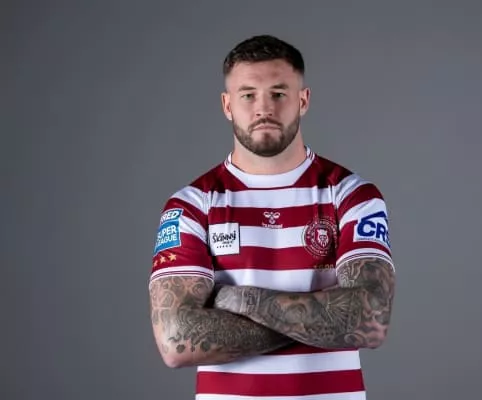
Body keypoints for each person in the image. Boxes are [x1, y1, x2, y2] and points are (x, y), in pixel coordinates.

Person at [148, 34, 396, 400]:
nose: (263, 108)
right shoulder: (192, 205)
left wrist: (242, 301)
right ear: (227, 105)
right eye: (248, 95)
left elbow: (370, 319)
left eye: (278, 93)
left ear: (303, 100)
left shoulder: (351, 195)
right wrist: (325, 317)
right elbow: (176, 340)